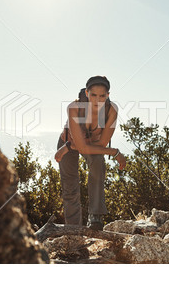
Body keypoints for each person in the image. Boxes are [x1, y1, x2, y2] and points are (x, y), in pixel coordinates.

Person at [54, 76, 126, 230]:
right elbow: (84, 148)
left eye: (102, 96)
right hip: (67, 141)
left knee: (98, 162)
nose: (97, 100)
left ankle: (95, 218)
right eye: (93, 95)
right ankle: (73, 228)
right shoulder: (74, 107)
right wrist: (114, 152)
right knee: (70, 185)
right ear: (87, 93)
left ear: (107, 95)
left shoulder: (111, 110)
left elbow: (101, 144)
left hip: (79, 145)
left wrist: (73, 146)